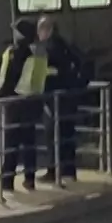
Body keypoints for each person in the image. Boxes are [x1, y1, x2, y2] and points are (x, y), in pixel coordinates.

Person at [0, 18, 46, 193]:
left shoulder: (18, 52)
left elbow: (11, 77)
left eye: (16, 30)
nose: (14, 33)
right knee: (29, 143)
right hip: (32, 101)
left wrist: (2, 95)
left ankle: (6, 181)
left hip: (16, 102)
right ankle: (29, 179)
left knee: (11, 144)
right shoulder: (39, 51)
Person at [38, 16, 89, 185]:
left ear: (48, 30)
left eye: (41, 29)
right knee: (67, 135)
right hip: (69, 98)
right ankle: (69, 170)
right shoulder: (66, 45)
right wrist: (78, 84)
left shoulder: (47, 49)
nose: (39, 33)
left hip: (54, 100)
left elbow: (43, 74)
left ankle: (54, 171)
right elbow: (84, 62)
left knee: (52, 135)